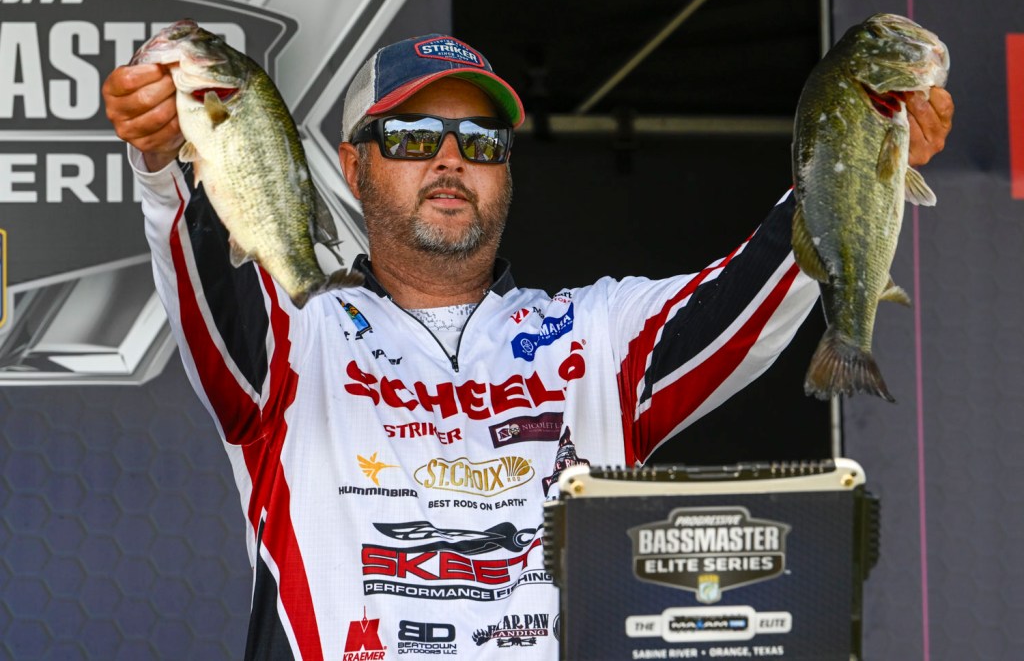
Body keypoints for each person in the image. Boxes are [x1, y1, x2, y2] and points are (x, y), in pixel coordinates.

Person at [102, 32, 953, 659]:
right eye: (412, 137)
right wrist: (164, 155)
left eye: (481, 144)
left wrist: (863, 146)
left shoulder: (597, 334)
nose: (450, 160)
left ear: (506, 172)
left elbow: (753, 288)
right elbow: (202, 257)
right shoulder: (298, 335)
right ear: (354, 167)